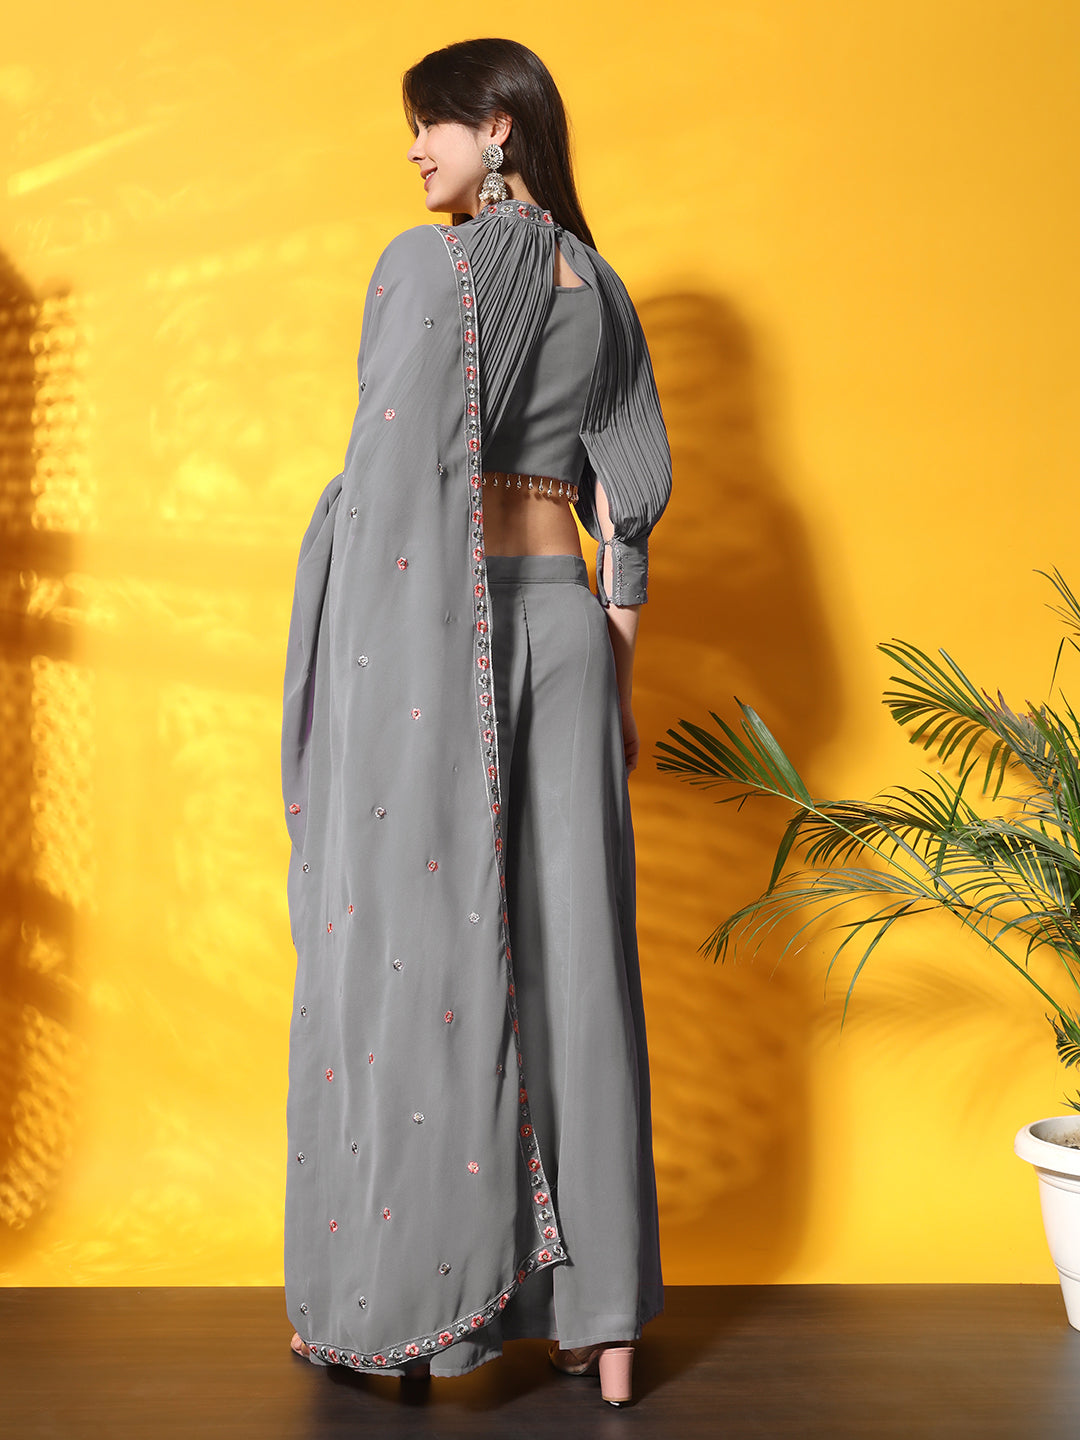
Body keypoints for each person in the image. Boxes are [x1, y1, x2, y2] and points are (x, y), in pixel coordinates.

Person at [281, 38, 671, 1408]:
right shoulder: (602, 289)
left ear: (498, 126)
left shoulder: (427, 268)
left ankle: (415, 1314)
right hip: (567, 626)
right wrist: (614, 677)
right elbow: (629, 505)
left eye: (430, 125)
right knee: (579, 959)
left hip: (448, 635)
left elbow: (388, 479)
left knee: (420, 946)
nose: (414, 151)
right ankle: (603, 1324)